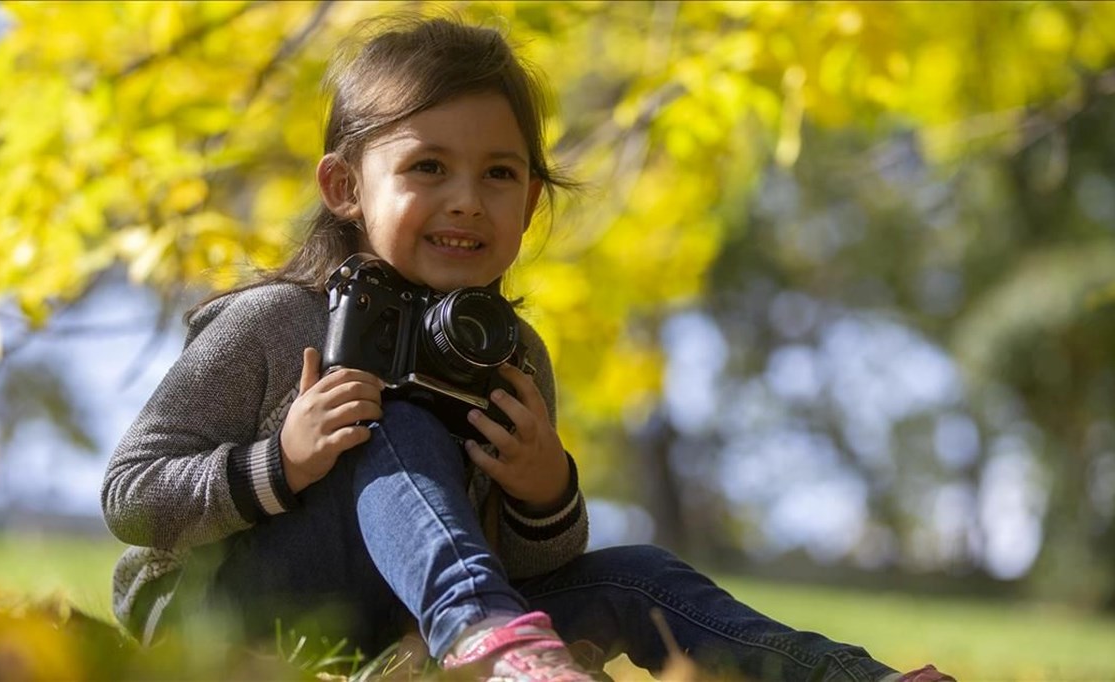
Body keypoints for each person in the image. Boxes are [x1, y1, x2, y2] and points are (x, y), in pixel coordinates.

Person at [102, 14, 953, 682]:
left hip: (405, 632)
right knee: (391, 414)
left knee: (639, 572)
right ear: (345, 187)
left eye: (498, 174)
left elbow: (522, 562)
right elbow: (130, 498)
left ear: (532, 200)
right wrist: (278, 464)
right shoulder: (276, 322)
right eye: (427, 168)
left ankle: (846, 676)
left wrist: (546, 492)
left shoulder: (507, 355)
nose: (467, 200)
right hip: (229, 619)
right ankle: (491, 648)